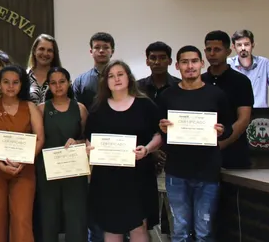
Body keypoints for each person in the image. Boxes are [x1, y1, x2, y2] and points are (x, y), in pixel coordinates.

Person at [157, 45, 233, 242]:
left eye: (193, 61)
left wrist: (222, 131)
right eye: (184, 62)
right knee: (180, 231)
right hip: (176, 172)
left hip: (207, 171)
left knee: (204, 231)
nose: (189, 66)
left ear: (201, 64)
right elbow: (158, 131)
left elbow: (229, 127)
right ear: (177, 66)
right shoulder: (167, 96)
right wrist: (162, 128)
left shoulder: (216, 94)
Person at [85, 60, 162, 242]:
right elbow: (89, 138)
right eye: (111, 76)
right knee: (111, 227)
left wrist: (148, 149)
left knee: (138, 226)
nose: (116, 79)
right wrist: (90, 149)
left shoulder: (145, 105)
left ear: (129, 77)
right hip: (107, 177)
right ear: (105, 82)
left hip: (138, 175)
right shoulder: (98, 109)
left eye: (120, 74)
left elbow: (159, 134)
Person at [0, 65, 44, 242]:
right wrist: (0, 164)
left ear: (21, 84)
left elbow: (40, 138)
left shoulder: (31, 107)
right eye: (6, 82)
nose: (10, 86)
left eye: (15, 82)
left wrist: (24, 161)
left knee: (22, 219)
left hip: (24, 169)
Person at [35, 67, 87, 242]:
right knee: (48, 218)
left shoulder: (80, 108)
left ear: (69, 82)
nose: (58, 86)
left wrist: (78, 143)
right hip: (47, 171)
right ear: (48, 85)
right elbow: (35, 139)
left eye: (62, 81)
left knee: (76, 219)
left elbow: (87, 139)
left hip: (74, 170)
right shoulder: (41, 109)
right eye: (53, 83)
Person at [202, 30, 254, 169]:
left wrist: (221, 144)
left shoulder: (241, 81)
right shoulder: (199, 80)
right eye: (208, 49)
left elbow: (243, 120)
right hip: (202, 155)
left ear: (228, 51)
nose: (212, 54)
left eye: (217, 49)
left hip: (233, 153)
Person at [73, 32, 114, 109]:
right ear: (91, 52)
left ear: (112, 51)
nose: (101, 50)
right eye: (97, 47)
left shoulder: (121, 79)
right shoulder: (80, 81)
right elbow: (75, 110)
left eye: (106, 47)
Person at [25, 34, 61, 104]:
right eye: (42, 49)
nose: (45, 53)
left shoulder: (62, 78)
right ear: (34, 51)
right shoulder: (24, 77)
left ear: (54, 54)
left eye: (49, 50)